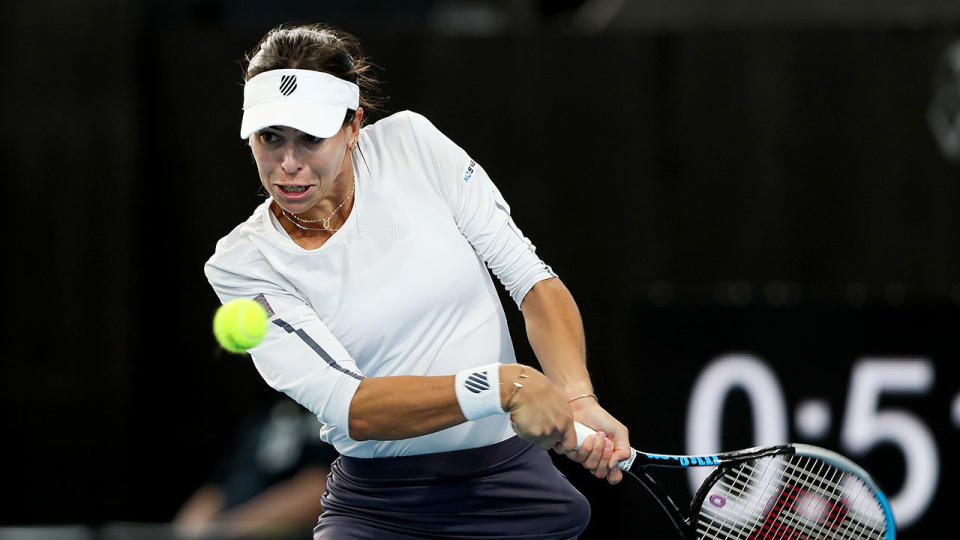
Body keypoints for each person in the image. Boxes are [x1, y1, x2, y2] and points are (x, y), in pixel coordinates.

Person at [204, 23, 630, 539]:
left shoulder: (413, 145)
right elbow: (351, 406)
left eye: (311, 138)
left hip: (510, 485)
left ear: (354, 124)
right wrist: (505, 386)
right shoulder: (243, 263)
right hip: (379, 507)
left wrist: (578, 398)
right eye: (271, 138)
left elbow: (530, 280)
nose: (288, 165)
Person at [174, 399, 339, 539]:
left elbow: (323, 489)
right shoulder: (266, 414)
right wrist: (184, 532)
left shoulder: (335, 417)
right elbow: (217, 488)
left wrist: (227, 531)